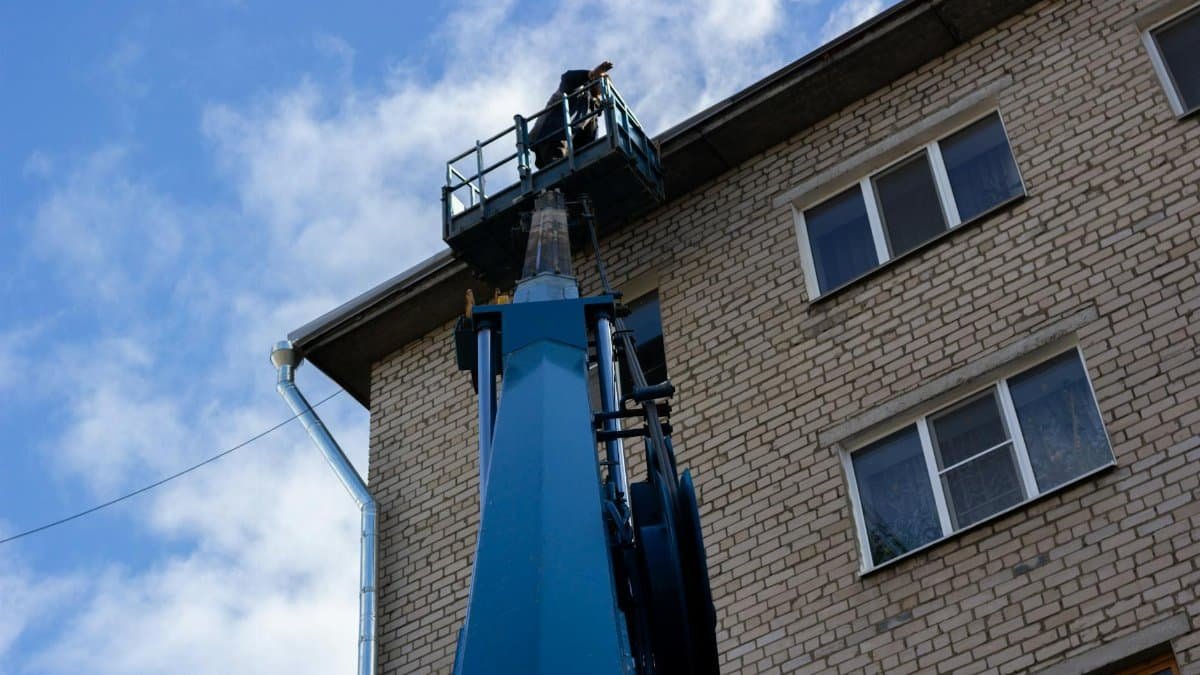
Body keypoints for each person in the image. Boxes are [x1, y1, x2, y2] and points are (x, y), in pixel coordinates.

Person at [529, 61, 614, 169]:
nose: (602, 86)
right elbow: (567, 78)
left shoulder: (593, 109)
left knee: (569, 175)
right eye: (601, 81)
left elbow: (590, 137)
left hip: (566, 145)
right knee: (559, 171)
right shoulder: (577, 88)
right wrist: (591, 74)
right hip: (551, 135)